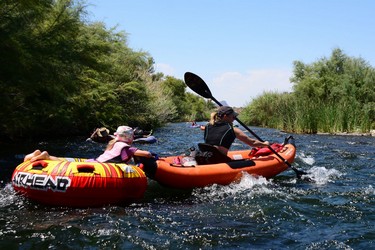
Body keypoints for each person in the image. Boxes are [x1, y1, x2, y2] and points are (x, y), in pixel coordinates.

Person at [24, 126, 154, 163]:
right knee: (68, 166)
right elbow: (146, 154)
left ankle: (44, 155)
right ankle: (45, 156)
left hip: (95, 161)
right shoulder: (126, 147)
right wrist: (152, 156)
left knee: (66, 162)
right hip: (100, 167)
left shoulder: (113, 143)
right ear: (129, 138)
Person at [203, 106, 270, 156]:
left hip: (206, 157)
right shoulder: (233, 129)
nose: (234, 119)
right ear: (225, 116)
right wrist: (265, 144)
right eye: (233, 117)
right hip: (219, 160)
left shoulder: (208, 126)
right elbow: (252, 143)